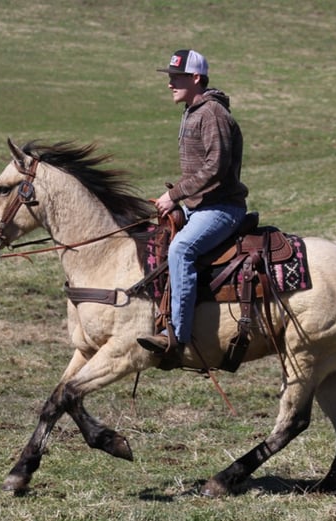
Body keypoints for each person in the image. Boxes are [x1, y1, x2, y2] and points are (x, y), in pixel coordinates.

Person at [137, 49, 249, 357]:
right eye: (170, 77)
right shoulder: (193, 111)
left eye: (177, 77)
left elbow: (216, 166)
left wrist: (174, 195)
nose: (170, 83)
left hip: (222, 209)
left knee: (181, 248)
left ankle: (175, 333)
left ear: (196, 78)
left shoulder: (213, 113)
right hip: (200, 205)